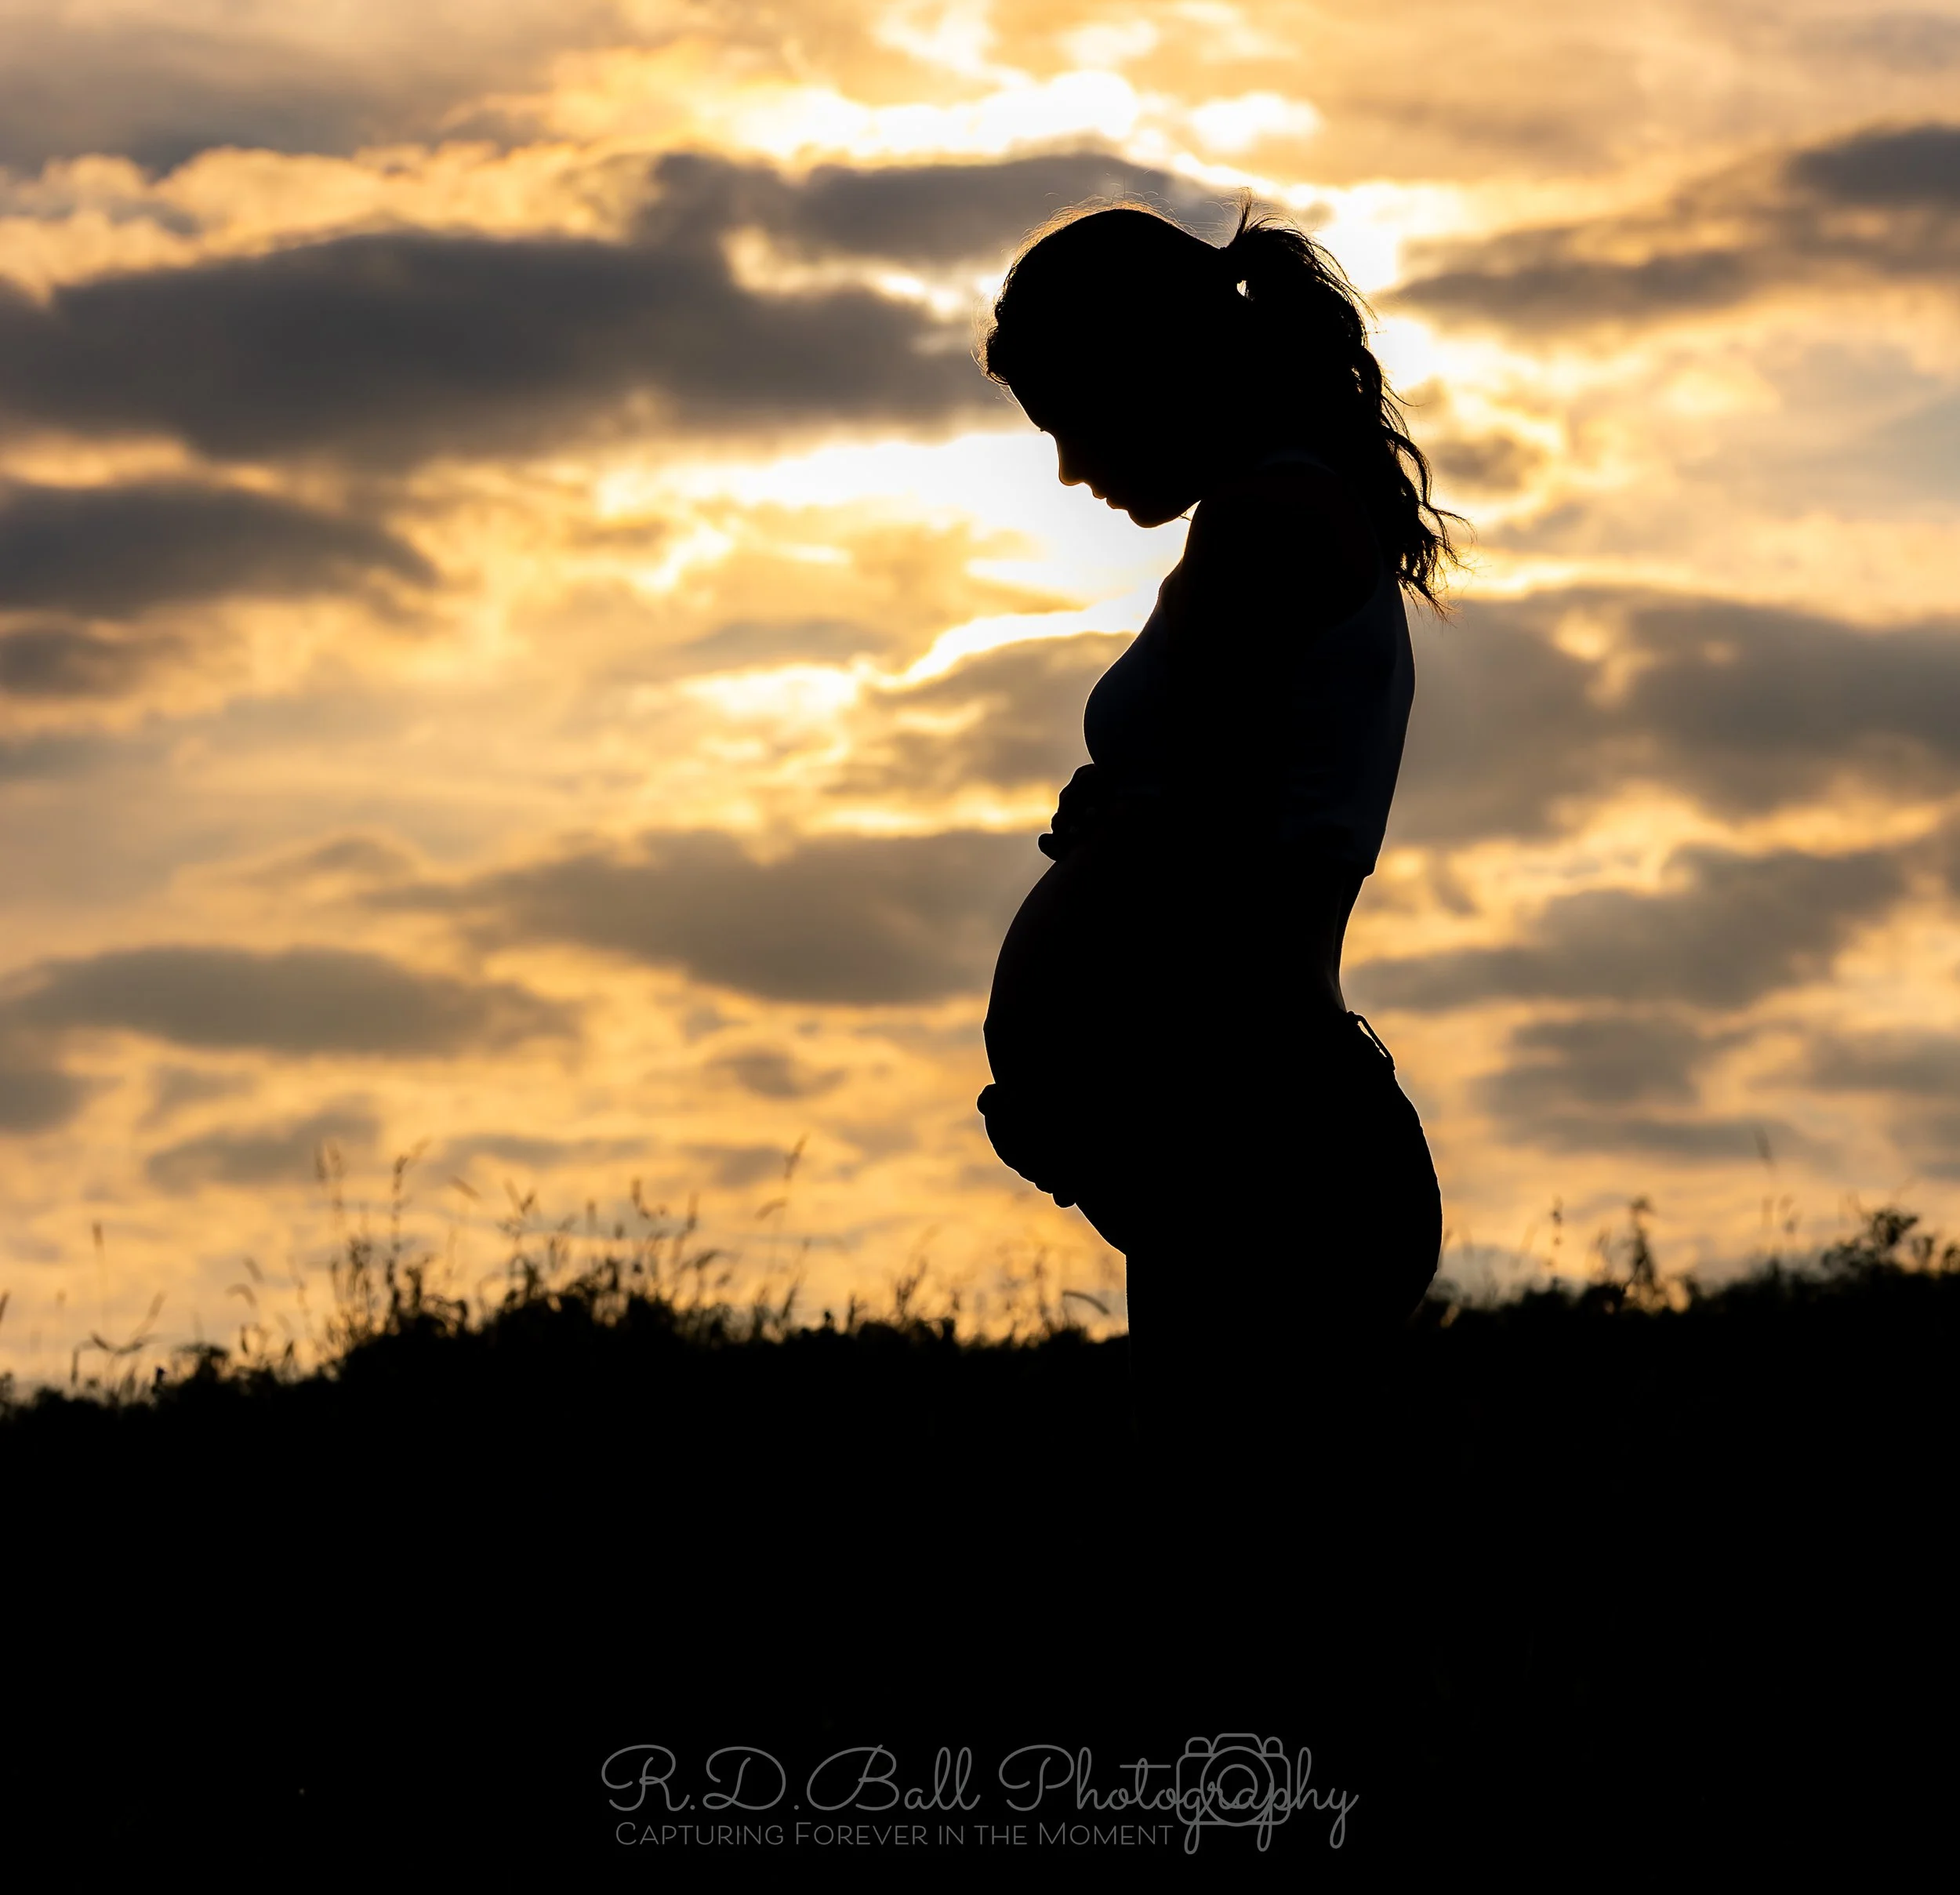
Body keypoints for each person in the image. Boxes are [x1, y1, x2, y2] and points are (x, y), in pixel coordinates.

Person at [974, 197, 1458, 1614]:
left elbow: (1211, 835)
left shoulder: (1271, 523)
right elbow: (1207, 804)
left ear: (1155, 373)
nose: (1069, 468)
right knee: (1239, 1579)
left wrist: (1120, 841)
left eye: (1074, 418)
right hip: (1238, 1133)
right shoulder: (1273, 519)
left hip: (1266, 1135)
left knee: (1246, 1602)